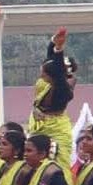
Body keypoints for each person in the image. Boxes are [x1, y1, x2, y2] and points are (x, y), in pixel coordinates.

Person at [27, 28, 77, 171]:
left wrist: (59, 50)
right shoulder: (48, 80)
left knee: (57, 167)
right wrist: (54, 43)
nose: (40, 74)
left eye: (43, 73)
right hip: (39, 125)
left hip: (56, 129)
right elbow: (52, 60)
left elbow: (57, 68)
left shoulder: (63, 89)